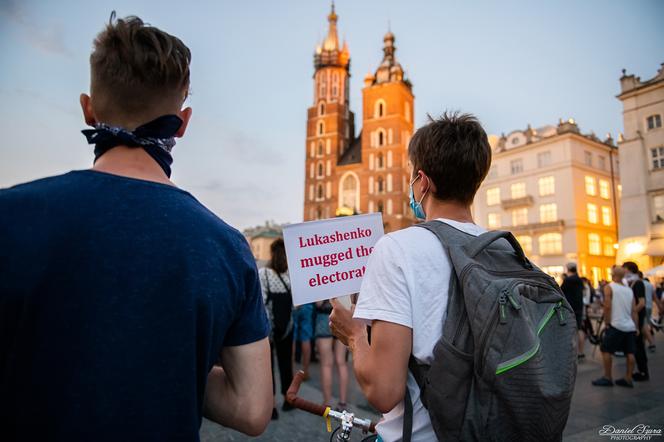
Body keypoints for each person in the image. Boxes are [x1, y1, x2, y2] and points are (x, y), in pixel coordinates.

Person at [0, 14, 272, 441]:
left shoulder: (11, 215)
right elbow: (253, 408)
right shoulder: (226, 246)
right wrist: (167, 366)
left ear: (88, 109)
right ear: (183, 122)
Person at [329, 112, 491, 441]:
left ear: (422, 181)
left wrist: (355, 335)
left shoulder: (397, 248)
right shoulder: (501, 248)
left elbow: (384, 391)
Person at [259, 238, 295, 420]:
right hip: (287, 327)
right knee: (286, 364)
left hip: (268, 329)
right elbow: (296, 305)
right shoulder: (292, 275)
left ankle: (271, 407)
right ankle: (289, 400)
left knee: (268, 367)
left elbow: (262, 303)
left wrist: (268, 329)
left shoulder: (263, 273)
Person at [592, 266, 639, 388]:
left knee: (606, 350)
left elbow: (607, 306)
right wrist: (636, 327)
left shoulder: (610, 287)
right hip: (630, 326)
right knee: (630, 352)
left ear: (613, 275)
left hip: (616, 324)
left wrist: (607, 323)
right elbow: (634, 310)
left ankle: (608, 377)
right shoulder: (629, 290)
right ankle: (628, 378)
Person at [315, 300, 349, 409]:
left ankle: (326, 404)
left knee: (326, 364)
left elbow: (318, 303)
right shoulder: (345, 282)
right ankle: (342, 403)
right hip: (343, 317)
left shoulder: (321, 282)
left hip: (324, 317)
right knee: (341, 362)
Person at [623, 262, 649, 381]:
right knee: (637, 346)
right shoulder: (633, 283)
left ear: (629, 270)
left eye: (624, 269)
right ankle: (641, 371)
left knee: (639, 346)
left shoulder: (637, 283)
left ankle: (643, 372)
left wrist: (632, 313)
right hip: (635, 318)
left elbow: (642, 302)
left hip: (637, 318)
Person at [561, 263, 586, 359]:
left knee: (570, 330)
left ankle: (572, 352)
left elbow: (560, 292)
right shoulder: (579, 279)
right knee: (579, 329)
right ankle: (581, 352)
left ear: (568, 269)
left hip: (570, 307)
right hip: (579, 307)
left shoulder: (568, 280)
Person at [292, 302, 315, 380]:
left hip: (293, 303)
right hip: (307, 303)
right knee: (306, 338)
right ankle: (305, 371)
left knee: (292, 336)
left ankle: (292, 371)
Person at [641, 274, 656, 352]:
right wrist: (659, 305)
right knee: (645, 324)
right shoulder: (649, 285)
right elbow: (654, 296)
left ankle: (651, 343)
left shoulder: (639, 284)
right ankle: (643, 343)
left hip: (642, 307)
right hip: (649, 306)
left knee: (643, 326)